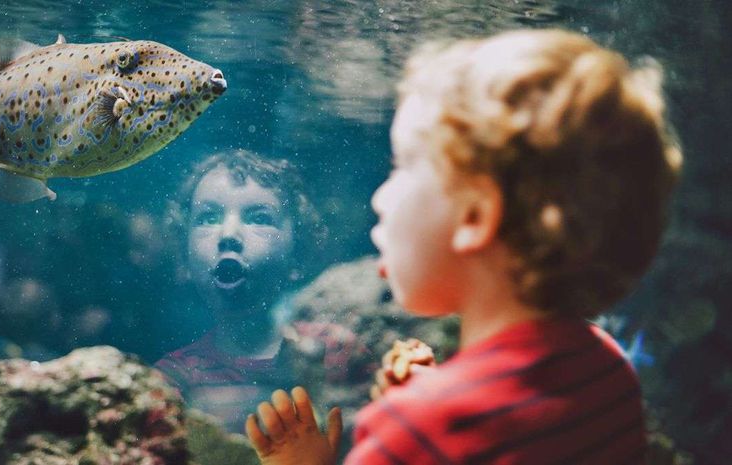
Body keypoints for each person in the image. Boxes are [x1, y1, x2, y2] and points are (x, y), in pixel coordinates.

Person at [244, 28, 681, 464]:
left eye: (401, 166)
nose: (379, 198)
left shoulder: (416, 426)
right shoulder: (607, 369)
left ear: (475, 216)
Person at [155, 149, 326, 433]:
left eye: (259, 218)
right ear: (183, 258)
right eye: (209, 218)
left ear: (298, 251)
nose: (228, 234)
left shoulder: (334, 353)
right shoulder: (172, 380)